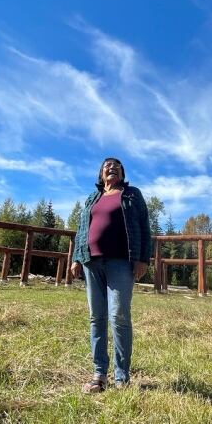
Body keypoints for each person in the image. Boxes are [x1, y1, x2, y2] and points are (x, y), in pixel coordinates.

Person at [71, 157, 151, 393]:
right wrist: (76, 257)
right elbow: (81, 229)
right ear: (100, 174)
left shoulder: (132, 194)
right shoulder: (92, 198)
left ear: (122, 173)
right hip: (91, 262)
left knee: (119, 316)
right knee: (97, 317)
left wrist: (142, 259)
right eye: (107, 165)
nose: (111, 168)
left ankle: (122, 377)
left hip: (121, 262)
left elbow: (145, 227)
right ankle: (99, 374)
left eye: (116, 166)